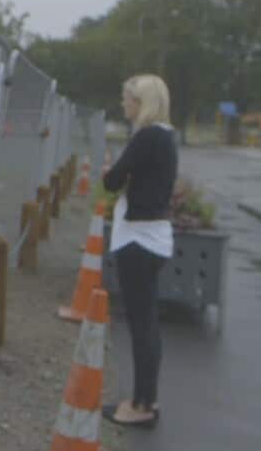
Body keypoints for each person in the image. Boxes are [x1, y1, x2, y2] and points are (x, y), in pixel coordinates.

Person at [101, 74, 177, 429]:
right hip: (151, 239)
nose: (123, 104)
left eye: (127, 98)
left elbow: (113, 180)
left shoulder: (146, 137)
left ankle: (142, 405)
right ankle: (145, 398)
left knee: (142, 327)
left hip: (139, 242)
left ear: (141, 102)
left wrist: (108, 171)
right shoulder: (164, 137)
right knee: (147, 325)